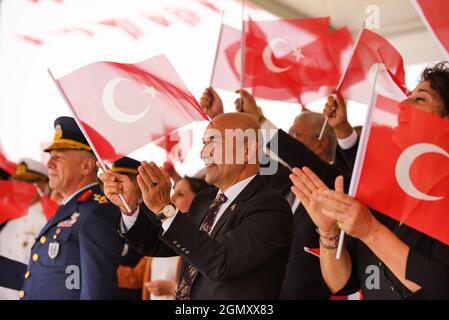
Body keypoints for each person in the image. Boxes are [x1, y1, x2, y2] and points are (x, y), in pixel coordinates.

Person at [291, 62, 449, 299]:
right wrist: (328, 233)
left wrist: (371, 232)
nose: (402, 105)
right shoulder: (386, 191)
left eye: (420, 99)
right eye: (408, 97)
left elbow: (441, 287)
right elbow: (342, 283)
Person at [100, 112, 293, 300]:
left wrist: (165, 209)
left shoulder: (270, 207)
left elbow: (221, 262)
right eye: (204, 143)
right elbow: (161, 243)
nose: (203, 153)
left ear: (247, 150)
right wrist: (129, 208)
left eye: (214, 142)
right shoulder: (205, 199)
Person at [200, 87, 350, 299]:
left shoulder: (336, 184)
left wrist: (260, 120)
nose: (289, 138)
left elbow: (301, 158)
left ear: (320, 142)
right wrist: (223, 121)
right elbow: (248, 159)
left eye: (295, 134)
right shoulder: (285, 181)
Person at [0, 116, 125, 299]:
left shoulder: (96, 212)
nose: (49, 163)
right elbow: (46, 277)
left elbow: (96, 292)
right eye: (50, 156)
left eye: (58, 157)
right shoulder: (71, 208)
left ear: (86, 166)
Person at [117, 176, 209, 300]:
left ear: (199, 203)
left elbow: (211, 289)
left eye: (180, 194)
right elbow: (135, 277)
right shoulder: (162, 236)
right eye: (173, 192)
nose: (172, 198)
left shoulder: (202, 241)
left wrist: (172, 288)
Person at [0, 158, 49, 299]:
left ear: (42, 185)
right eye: (17, 182)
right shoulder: (8, 218)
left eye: (26, 182)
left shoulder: (49, 220)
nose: (19, 187)